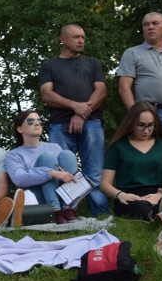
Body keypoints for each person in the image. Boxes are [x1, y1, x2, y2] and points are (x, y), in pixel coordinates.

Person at [38, 22, 111, 216]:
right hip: (59, 124)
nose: (81, 40)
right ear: (63, 39)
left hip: (92, 122)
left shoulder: (92, 63)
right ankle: (66, 214)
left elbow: (101, 91)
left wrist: (80, 112)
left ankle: (101, 215)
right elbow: (46, 94)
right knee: (63, 172)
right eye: (76, 37)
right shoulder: (50, 65)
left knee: (95, 172)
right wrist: (74, 106)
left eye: (83, 37)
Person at [99, 101, 162, 221]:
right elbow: (105, 184)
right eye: (141, 125)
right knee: (143, 207)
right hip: (131, 197)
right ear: (131, 123)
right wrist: (120, 195)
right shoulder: (118, 145)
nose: (146, 131)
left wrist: (159, 195)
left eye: (150, 125)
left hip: (158, 194)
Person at [117, 12, 162, 145]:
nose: (150, 27)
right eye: (146, 24)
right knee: (155, 158)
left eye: (155, 23)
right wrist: (136, 116)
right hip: (150, 114)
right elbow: (124, 88)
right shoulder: (132, 53)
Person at [5, 110, 81, 224]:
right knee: (48, 157)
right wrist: (51, 173)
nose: (36, 123)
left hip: (61, 197)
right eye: (30, 121)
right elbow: (19, 179)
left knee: (68, 155)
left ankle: (68, 208)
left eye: (39, 121)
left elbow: (65, 173)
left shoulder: (54, 147)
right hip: (37, 201)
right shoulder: (13, 155)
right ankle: (55, 210)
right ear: (20, 129)